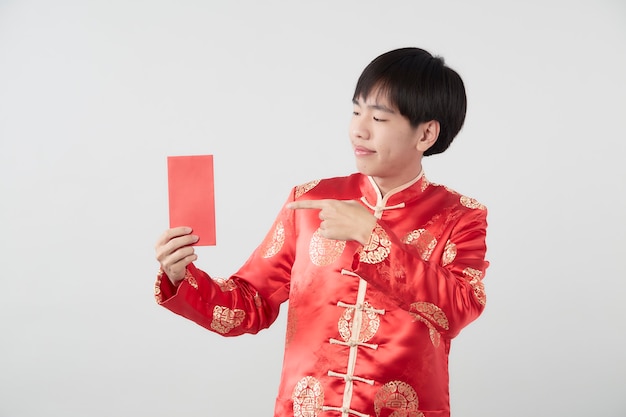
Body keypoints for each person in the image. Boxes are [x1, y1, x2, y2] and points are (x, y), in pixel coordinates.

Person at [154, 47, 489, 417]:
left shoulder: (459, 215)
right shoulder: (310, 201)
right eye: (356, 111)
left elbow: (459, 309)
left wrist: (372, 237)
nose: (358, 129)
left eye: (378, 118)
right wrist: (182, 278)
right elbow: (249, 305)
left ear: (425, 134)